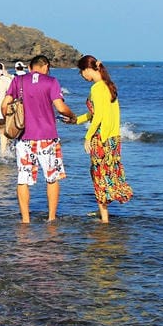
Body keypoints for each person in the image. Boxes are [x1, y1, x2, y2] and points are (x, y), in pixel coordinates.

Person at [2, 54, 78, 224]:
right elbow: (60, 106)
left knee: (23, 179)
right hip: (47, 136)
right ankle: (51, 218)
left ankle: (25, 219)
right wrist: (72, 116)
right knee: (52, 177)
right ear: (46, 68)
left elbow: (4, 104)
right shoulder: (51, 81)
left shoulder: (17, 81)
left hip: (23, 137)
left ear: (30, 67)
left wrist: (8, 124)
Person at [70, 54, 134, 223]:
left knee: (98, 176)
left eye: (81, 72)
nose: (82, 76)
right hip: (114, 139)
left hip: (102, 139)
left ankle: (104, 219)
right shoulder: (109, 86)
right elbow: (96, 114)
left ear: (88, 70)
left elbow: (98, 116)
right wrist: (77, 120)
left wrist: (87, 137)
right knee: (109, 174)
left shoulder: (97, 88)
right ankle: (104, 212)